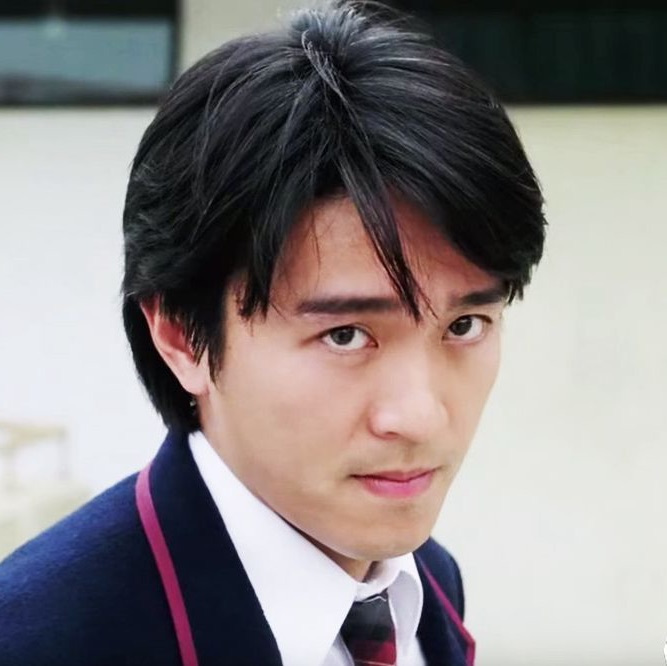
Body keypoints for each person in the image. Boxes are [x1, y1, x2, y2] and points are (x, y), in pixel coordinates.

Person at [0, 1, 545, 664]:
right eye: (346, 335)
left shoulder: (425, 582)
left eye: (464, 325)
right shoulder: (42, 640)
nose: (420, 417)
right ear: (181, 336)